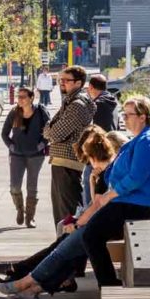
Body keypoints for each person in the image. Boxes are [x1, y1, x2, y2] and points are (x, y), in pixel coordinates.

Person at [0, 129, 127, 299]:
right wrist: (91, 182)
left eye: (88, 159)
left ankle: (26, 280)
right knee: (65, 244)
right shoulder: (104, 172)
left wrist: (78, 223)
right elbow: (96, 203)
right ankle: (32, 282)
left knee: (64, 248)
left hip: (104, 223)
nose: (87, 164)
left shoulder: (109, 172)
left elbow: (97, 205)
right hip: (101, 221)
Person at [79, 96, 150, 287]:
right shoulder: (136, 141)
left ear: (143, 116)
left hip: (138, 203)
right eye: (123, 114)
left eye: (129, 115)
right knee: (87, 234)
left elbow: (136, 178)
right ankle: (106, 282)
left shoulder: (148, 142)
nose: (124, 119)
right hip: (127, 200)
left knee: (90, 235)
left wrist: (108, 196)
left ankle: (109, 284)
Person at [43, 66, 94, 232]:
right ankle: (63, 245)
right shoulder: (71, 101)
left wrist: (49, 130)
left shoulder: (77, 105)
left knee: (66, 211)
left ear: (78, 83)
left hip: (67, 161)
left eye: (66, 80)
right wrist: (49, 129)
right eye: (60, 80)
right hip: (64, 161)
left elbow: (54, 132)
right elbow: (49, 130)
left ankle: (67, 248)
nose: (62, 83)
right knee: (62, 209)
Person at [1, 86, 48, 228]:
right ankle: (20, 209)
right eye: (18, 96)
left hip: (36, 155)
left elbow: (49, 130)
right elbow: (4, 134)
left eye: (23, 97)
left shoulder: (40, 112)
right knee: (15, 186)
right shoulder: (14, 113)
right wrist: (11, 146)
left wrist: (42, 145)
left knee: (31, 187)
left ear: (31, 98)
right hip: (17, 155)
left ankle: (30, 217)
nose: (20, 99)